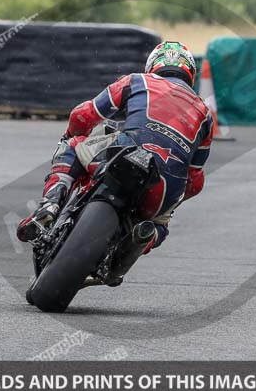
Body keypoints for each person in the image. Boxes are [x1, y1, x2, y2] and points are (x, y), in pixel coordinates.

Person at [16, 41, 214, 256]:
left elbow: (82, 115)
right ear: (190, 74)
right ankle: (138, 241)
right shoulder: (205, 113)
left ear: (152, 65)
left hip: (126, 155)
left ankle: (50, 204)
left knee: (71, 147)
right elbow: (195, 181)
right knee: (160, 226)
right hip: (166, 187)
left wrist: (71, 136)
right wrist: (174, 198)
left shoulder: (137, 81)